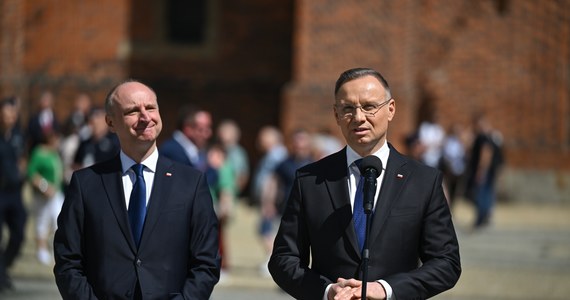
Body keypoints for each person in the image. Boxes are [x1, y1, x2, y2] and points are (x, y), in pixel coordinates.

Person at [268, 68, 461, 300]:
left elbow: (446, 263)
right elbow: (283, 259)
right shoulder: (310, 180)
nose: (358, 117)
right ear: (336, 115)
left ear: (390, 110)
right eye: (348, 108)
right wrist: (327, 291)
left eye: (369, 107)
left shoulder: (423, 181)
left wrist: (385, 289)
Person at [53, 80, 220, 299]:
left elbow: (206, 263)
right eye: (133, 111)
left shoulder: (191, 183)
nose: (145, 117)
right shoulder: (87, 184)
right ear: (110, 122)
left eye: (150, 108)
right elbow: (68, 261)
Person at [0, 97, 27, 292]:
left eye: (12, 114)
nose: (10, 117)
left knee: (18, 234)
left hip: (15, 192)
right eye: (6, 113)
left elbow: (23, 157)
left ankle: (3, 267)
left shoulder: (18, 135)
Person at [27, 127, 64, 266]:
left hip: (56, 194)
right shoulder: (39, 153)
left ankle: (57, 249)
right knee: (42, 221)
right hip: (43, 195)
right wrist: (44, 186)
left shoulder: (54, 153)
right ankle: (41, 249)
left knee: (59, 220)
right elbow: (31, 173)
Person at [464, 113, 504, 229]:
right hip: (490, 170)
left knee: (481, 194)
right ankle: (485, 217)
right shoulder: (490, 136)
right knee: (486, 193)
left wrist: (481, 170)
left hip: (484, 170)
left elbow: (486, 153)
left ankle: (481, 218)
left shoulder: (483, 137)